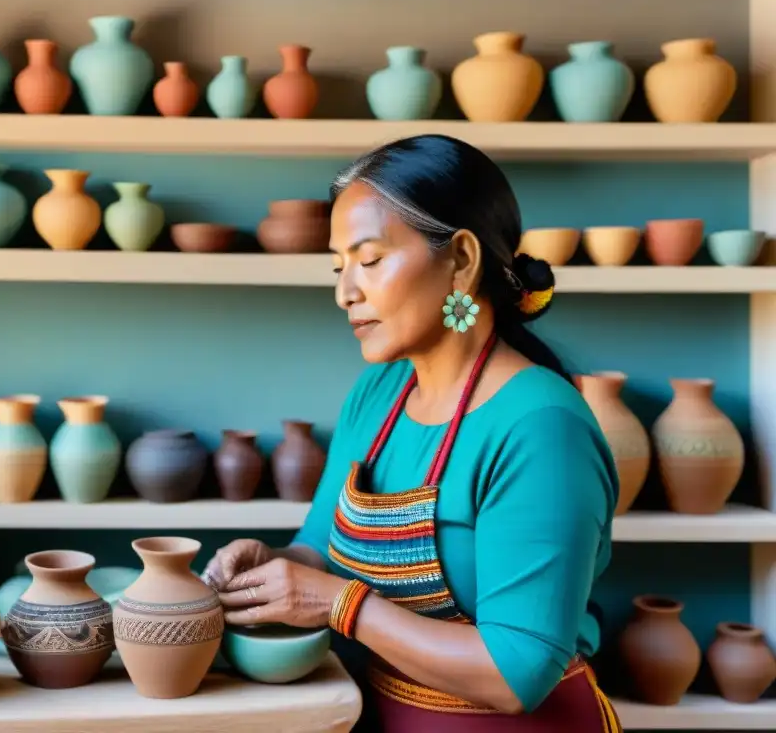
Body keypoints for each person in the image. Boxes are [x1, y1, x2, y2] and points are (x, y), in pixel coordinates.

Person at [202, 134, 621, 732]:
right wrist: (271, 564)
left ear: (461, 261)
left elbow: (516, 671)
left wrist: (339, 604)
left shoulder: (540, 426)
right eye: (339, 266)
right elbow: (319, 547)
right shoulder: (378, 397)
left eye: (369, 260)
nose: (345, 291)